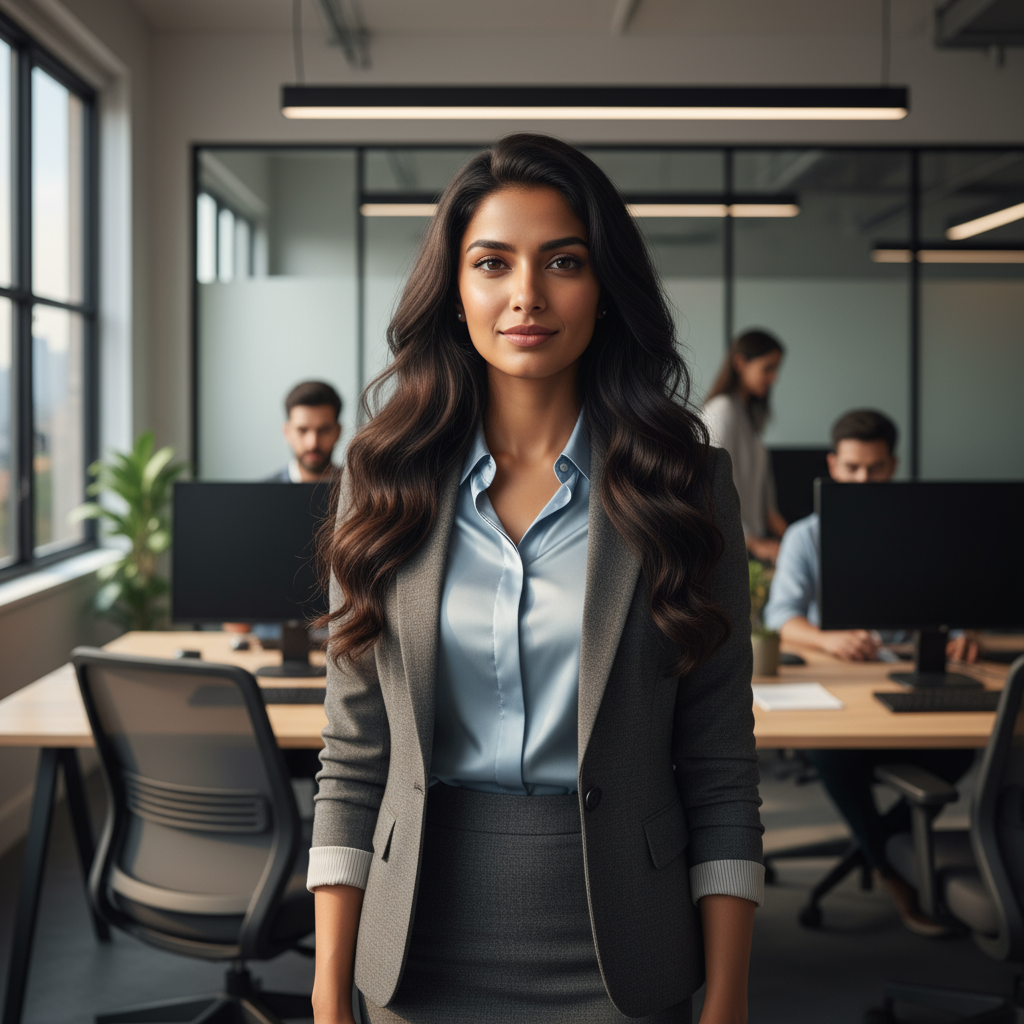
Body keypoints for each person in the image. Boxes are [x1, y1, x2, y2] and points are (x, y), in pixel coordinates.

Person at [309, 135, 763, 1024]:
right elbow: (355, 756)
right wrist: (327, 995)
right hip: (418, 943)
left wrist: (730, 997)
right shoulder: (384, 478)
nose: (527, 296)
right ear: (456, 290)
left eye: (563, 261)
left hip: (627, 948)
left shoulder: (685, 483)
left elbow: (719, 764)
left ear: (604, 288)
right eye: (493, 263)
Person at [764, 408, 976, 936]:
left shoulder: (923, 529)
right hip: (842, 687)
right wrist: (826, 638)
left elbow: (950, 607)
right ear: (834, 465)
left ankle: (881, 843)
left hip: (910, 681)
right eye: (852, 468)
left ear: (893, 466)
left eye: (875, 469)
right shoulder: (805, 536)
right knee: (832, 753)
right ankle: (891, 867)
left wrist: (959, 637)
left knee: (964, 748)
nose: (862, 480)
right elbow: (780, 619)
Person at [702, 331, 787, 564]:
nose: (774, 378)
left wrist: (795, 539)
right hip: (733, 548)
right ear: (740, 363)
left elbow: (765, 502)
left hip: (750, 544)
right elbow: (711, 488)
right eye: (768, 368)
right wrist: (756, 544)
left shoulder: (746, 416)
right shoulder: (723, 411)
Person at [268, 379, 343, 483]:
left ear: (338, 432)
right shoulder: (260, 495)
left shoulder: (361, 491)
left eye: (323, 430)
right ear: (286, 432)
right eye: (302, 430)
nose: (312, 444)